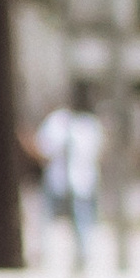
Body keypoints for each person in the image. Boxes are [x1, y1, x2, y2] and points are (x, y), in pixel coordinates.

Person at [36, 93, 102, 263]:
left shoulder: (61, 122)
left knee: (69, 218)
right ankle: (77, 253)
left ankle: (75, 253)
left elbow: (43, 150)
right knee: (76, 219)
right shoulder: (88, 125)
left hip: (71, 179)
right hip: (72, 179)